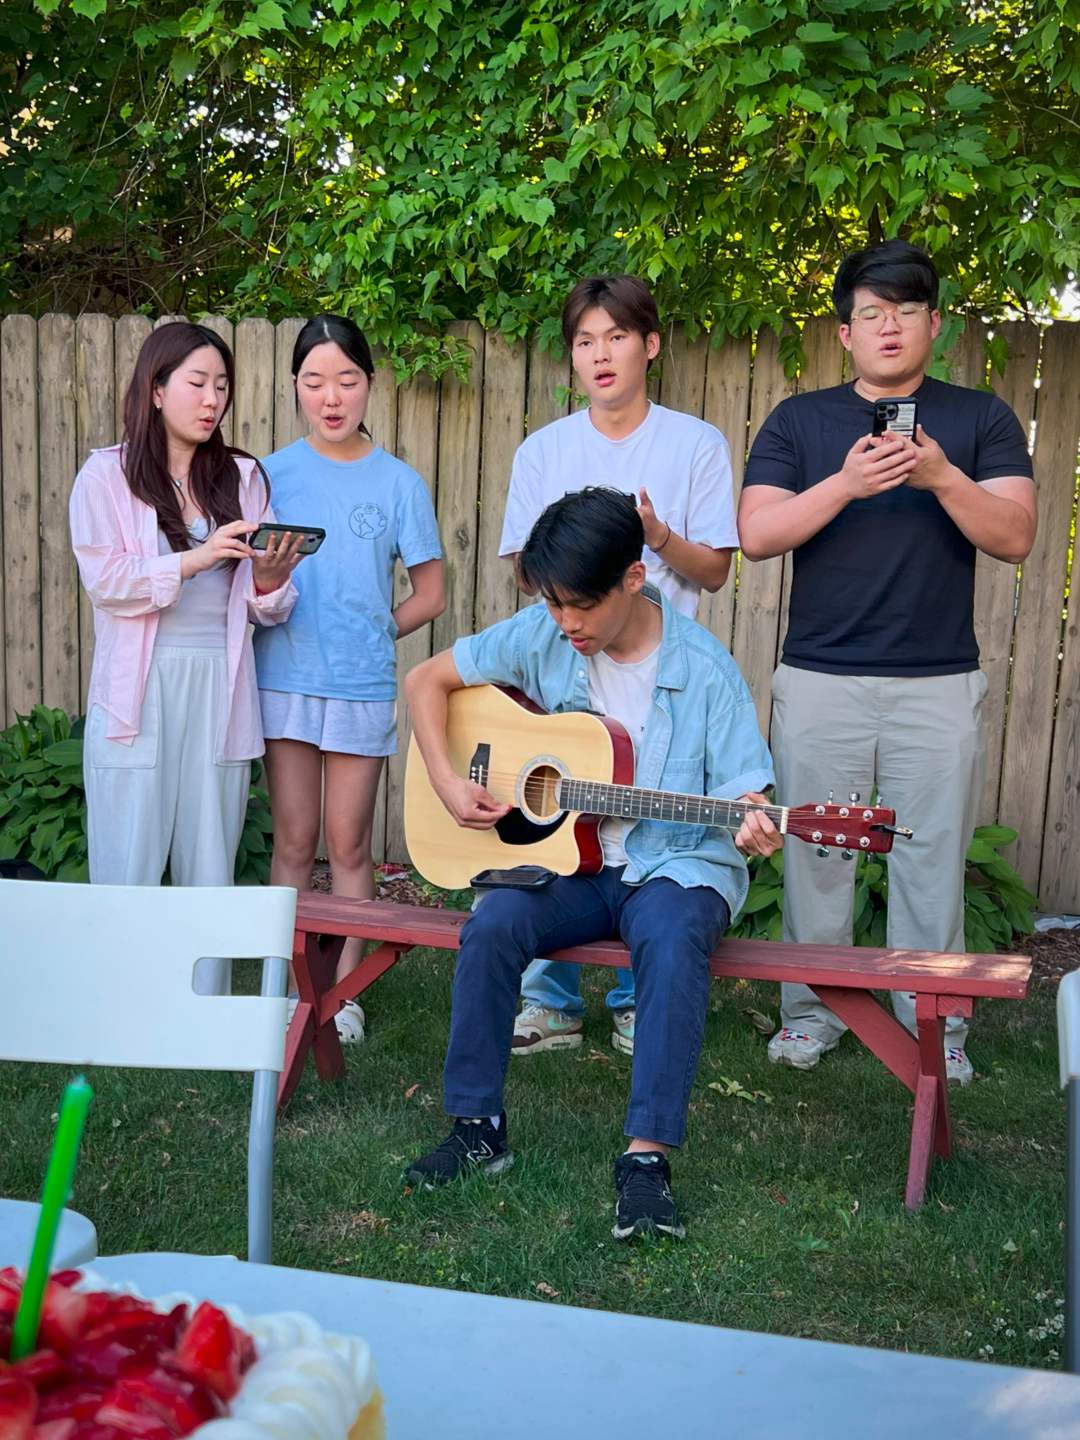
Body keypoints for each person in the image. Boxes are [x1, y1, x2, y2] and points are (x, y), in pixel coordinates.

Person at [403, 487, 779, 1240]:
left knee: (672, 937)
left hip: (673, 863)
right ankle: (477, 1128)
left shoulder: (705, 668)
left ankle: (645, 1162)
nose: (566, 622)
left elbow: (749, 787)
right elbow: (424, 681)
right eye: (552, 604)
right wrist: (447, 781)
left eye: (581, 605)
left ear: (634, 579)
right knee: (493, 923)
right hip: (570, 864)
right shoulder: (544, 632)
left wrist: (755, 819)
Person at [738, 240, 1037, 1084]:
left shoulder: (981, 419)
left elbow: (1017, 536)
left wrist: (941, 476)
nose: (890, 326)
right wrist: (845, 484)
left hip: (938, 680)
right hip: (820, 676)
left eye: (907, 310)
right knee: (817, 857)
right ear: (845, 333)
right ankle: (812, 1015)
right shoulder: (799, 421)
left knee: (930, 858)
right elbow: (756, 535)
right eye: (871, 313)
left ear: (935, 324)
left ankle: (935, 1025)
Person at [499, 275, 739, 1058]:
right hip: (566, 669)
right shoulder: (544, 450)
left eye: (616, 337)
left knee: (651, 832)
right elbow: (523, 571)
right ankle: (550, 1001)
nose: (600, 354)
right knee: (556, 825)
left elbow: (715, 571)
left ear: (650, 345)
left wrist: (654, 536)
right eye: (584, 340)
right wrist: (576, 568)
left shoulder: (695, 443)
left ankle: (640, 999)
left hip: (665, 682)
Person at [70, 322, 304, 994]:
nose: (211, 400)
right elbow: (107, 583)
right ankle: (120, 1000)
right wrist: (195, 559)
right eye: (197, 383)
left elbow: (264, 609)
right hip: (138, 687)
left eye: (222, 386)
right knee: (129, 852)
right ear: (156, 389)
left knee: (210, 855)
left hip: (220, 682)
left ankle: (203, 1007)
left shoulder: (243, 476)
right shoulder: (107, 474)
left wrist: (269, 579)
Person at [253, 315, 445, 1041]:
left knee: (350, 845)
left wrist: (374, 630)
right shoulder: (268, 475)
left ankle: (343, 996)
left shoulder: (399, 482)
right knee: (293, 842)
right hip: (284, 679)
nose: (331, 397)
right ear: (295, 387)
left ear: (369, 383)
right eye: (314, 381)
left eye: (346, 380)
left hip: (362, 686)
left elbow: (432, 594)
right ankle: (283, 985)